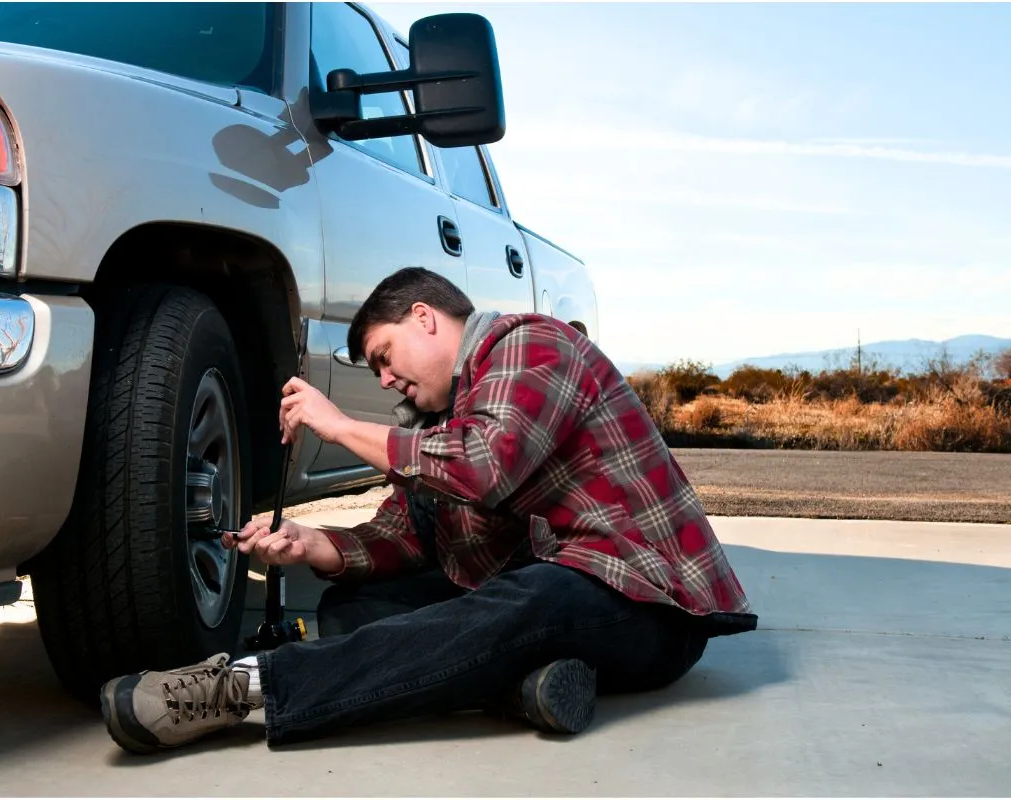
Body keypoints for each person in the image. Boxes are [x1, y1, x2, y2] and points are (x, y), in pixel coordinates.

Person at [99, 267, 757, 754]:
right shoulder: (445, 413)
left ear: (424, 317)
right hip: (548, 587)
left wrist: (338, 425)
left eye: (383, 358)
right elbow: (404, 537)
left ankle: (241, 691)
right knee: (348, 609)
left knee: (539, 597)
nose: (384, 381)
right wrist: (308, 544)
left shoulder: (533, 347)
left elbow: (482, 466)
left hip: (646, 607)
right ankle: (525, 682)